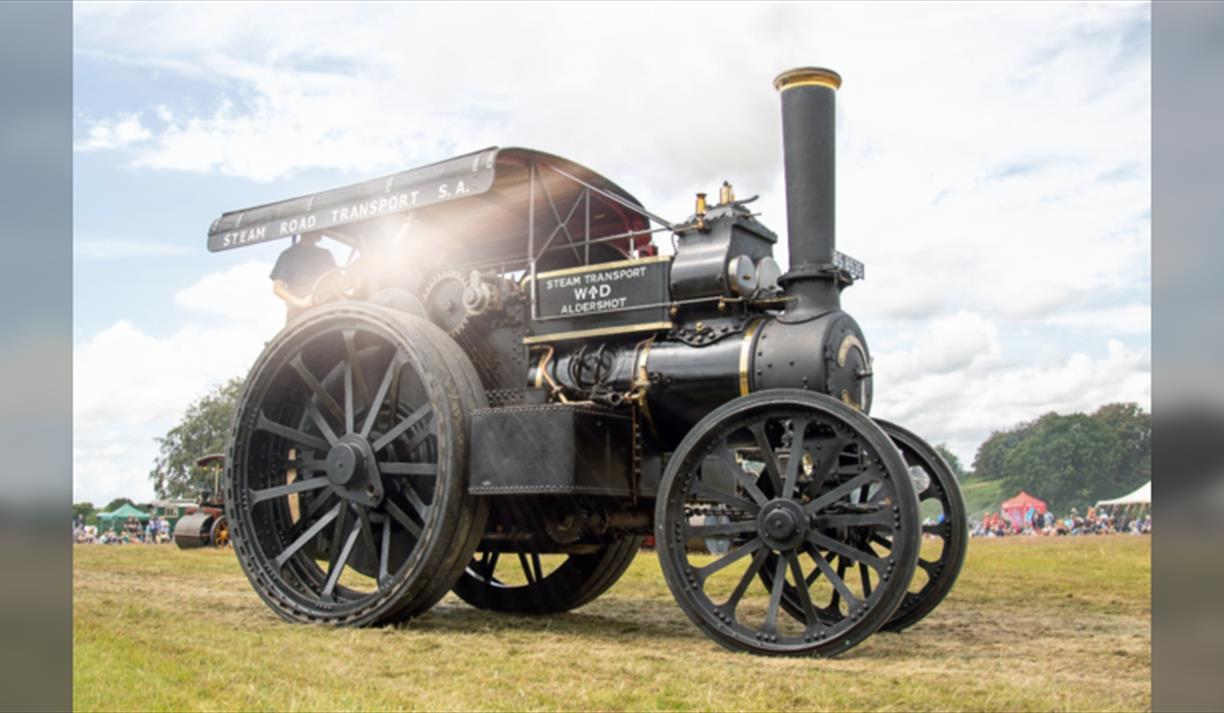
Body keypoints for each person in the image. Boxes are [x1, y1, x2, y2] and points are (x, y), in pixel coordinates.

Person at [270, 234, 338, 322]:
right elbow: (278, 288)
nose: (321, 231)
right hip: (299, 317)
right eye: (318, 228)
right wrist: (301, 303)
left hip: (325, 313)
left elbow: (338, 282)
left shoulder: (326, 254)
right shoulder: (288, 255)